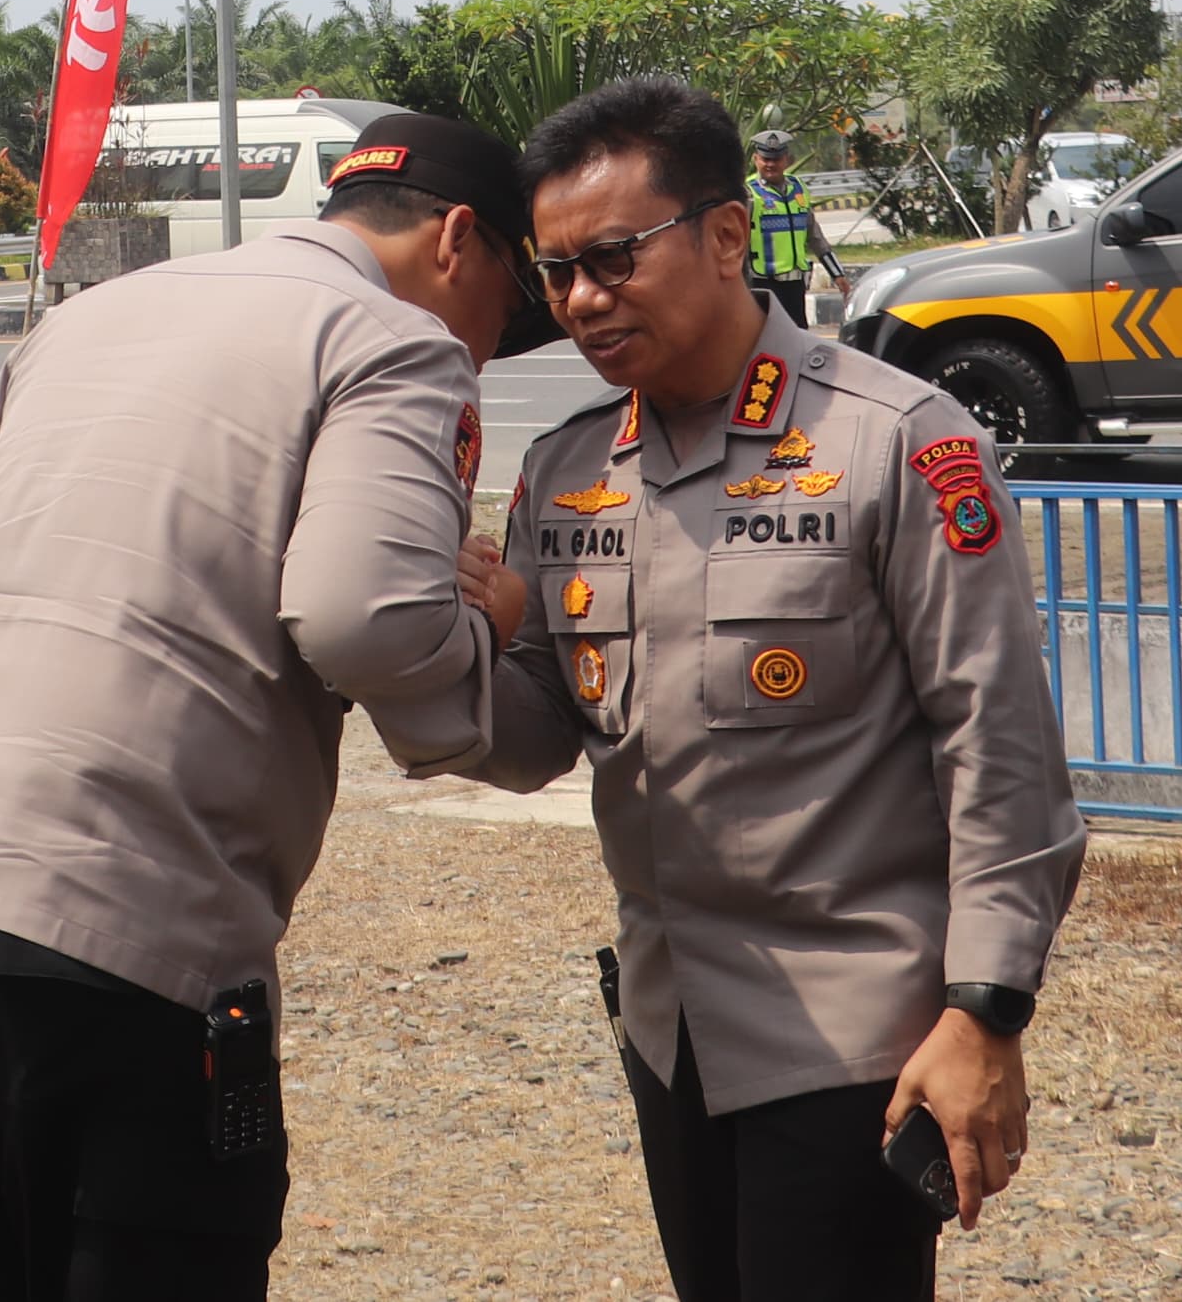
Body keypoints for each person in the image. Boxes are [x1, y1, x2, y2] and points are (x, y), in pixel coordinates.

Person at [0, 111, 557, 1299]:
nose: (489, 349)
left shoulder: (95, 313)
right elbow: (359, 617)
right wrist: (490, 632)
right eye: (507, 308)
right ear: (456, 239)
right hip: (119, 923)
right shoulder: (394, 343)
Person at [463, 75, 1083, 1302]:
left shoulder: (894, 440)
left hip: (851, 1040)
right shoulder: (569, 468)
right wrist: (436, 647)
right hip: (671, 1028)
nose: (581, 299)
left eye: (612, 257)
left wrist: (984, 1011)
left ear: (725, 235)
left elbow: (996, 743)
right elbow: (536, 733)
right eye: (556, 271)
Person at [741, 127, 828, 327]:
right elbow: (738, 243)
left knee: (798, 335)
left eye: (776, 159)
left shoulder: (798, 189)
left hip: (794, 285)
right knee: (765, 335)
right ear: (756, 159)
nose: (771, 164)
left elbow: (814, 236)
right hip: (762, 284)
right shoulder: (748, 193)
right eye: (765, 159)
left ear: (786, 160)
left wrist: (837, 274)